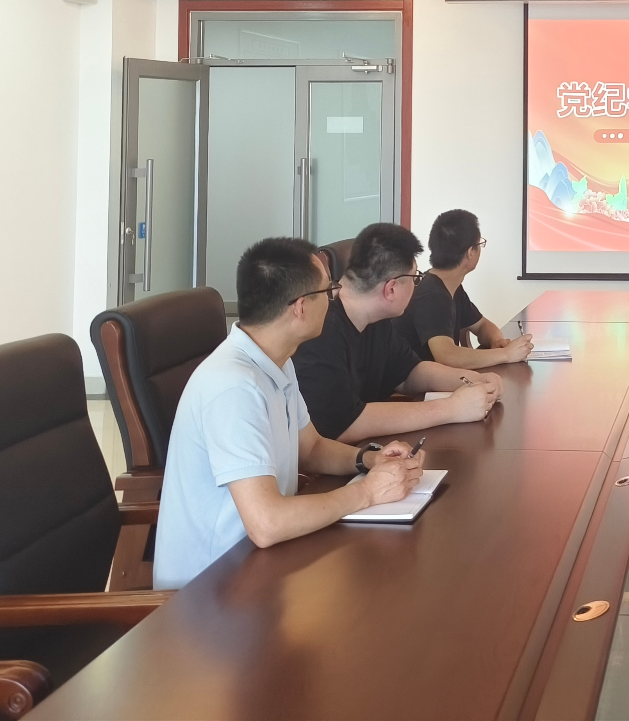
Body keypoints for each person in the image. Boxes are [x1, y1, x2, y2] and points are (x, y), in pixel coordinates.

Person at [154, 237, 425, 589]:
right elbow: (266, 524)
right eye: (328, 290)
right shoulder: (233, 386)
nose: (335, 298)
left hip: (261, 565)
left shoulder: (277, 360)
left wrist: (370, 460)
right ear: (300, 308)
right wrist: (368, 493)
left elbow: (310, 448)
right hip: (210, 591)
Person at [294, 222, 503, 443]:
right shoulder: (320, 332)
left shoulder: (376, 320)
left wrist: (474, 380)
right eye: (415, 278)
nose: (417, 285)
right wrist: (451, 408)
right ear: (391, 288)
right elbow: (345, 424)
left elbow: (411, 372)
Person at [397, 209, 534, 369]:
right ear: (470, 252)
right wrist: (506, 354)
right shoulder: (431, 294)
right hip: (412, 384)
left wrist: (496, 341)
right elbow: (447, 356)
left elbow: (482, 325)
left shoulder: (450, 287)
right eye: (480, 244)